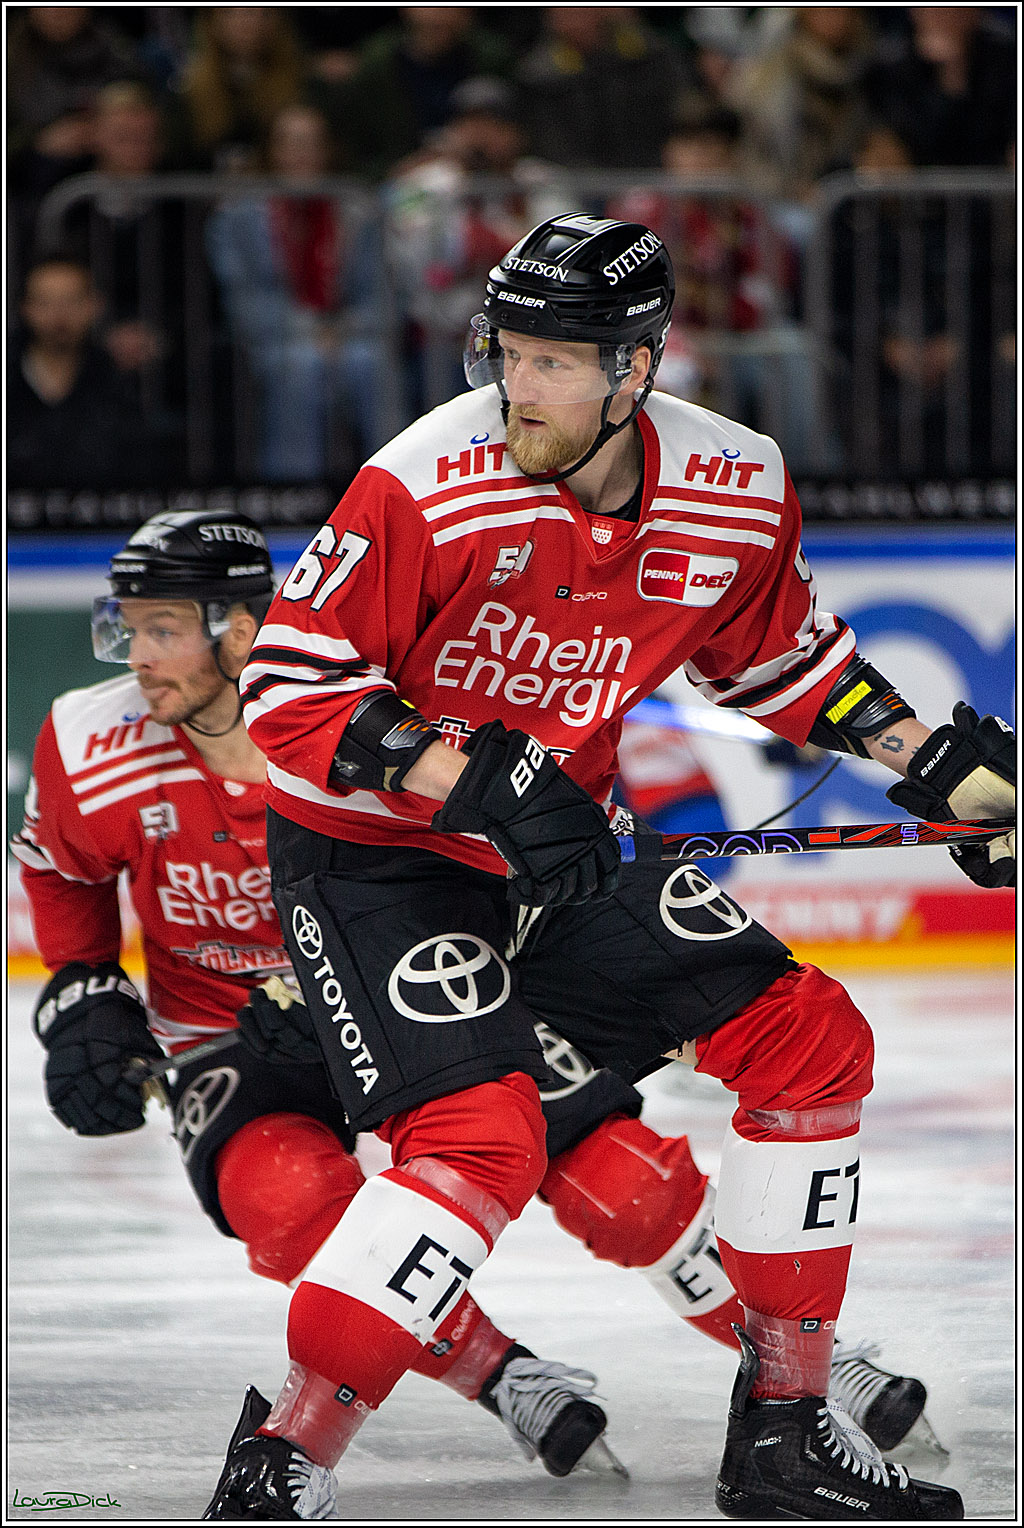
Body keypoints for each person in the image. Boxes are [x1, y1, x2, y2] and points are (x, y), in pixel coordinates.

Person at [227, 213, 1014, 1517]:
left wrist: (940, 769)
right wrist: (478, 779)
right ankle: (280, 1464)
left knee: (809, 1038)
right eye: (506, 351)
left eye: (550, 361)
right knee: (479, 1145)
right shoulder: (426, 478)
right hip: (374, 860)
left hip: (563, 853)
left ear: (635, 369)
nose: (512, 384)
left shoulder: (737, 480)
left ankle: (781, 1430)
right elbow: (292, 693)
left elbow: (782, 662)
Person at [12, 510, 938, 1517]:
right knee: (289, 1203)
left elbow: (472, 859)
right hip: (241, 1037)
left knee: (618, 1182)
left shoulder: (373, 723)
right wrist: (84, 995)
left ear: (241, 629)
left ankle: (802, 1364)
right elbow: (60, 872)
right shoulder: (86, 740)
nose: (137, 658)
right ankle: (501, 1374)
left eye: (159, 629)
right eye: (127, 629)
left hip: (416, 981)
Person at [205, 104, 388, 483]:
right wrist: (310, 328)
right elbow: (243, 298)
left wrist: (345, 327)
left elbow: (380, 292)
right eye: (291, 144)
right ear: (273, 152)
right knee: (302, 365)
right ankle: (292, 495)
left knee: (372, 363)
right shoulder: (237, 217)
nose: (302, 154)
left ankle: (396, 496)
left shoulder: (356, 210)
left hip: (350, 336)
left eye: (311, 144)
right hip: (276, 337)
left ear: (327, 151)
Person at [7, 255, 162, 490]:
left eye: (72, 301)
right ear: (25, 308)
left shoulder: (118, 381)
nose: (59, 315)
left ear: (95, 305)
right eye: (45, 302)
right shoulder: (8, 376)